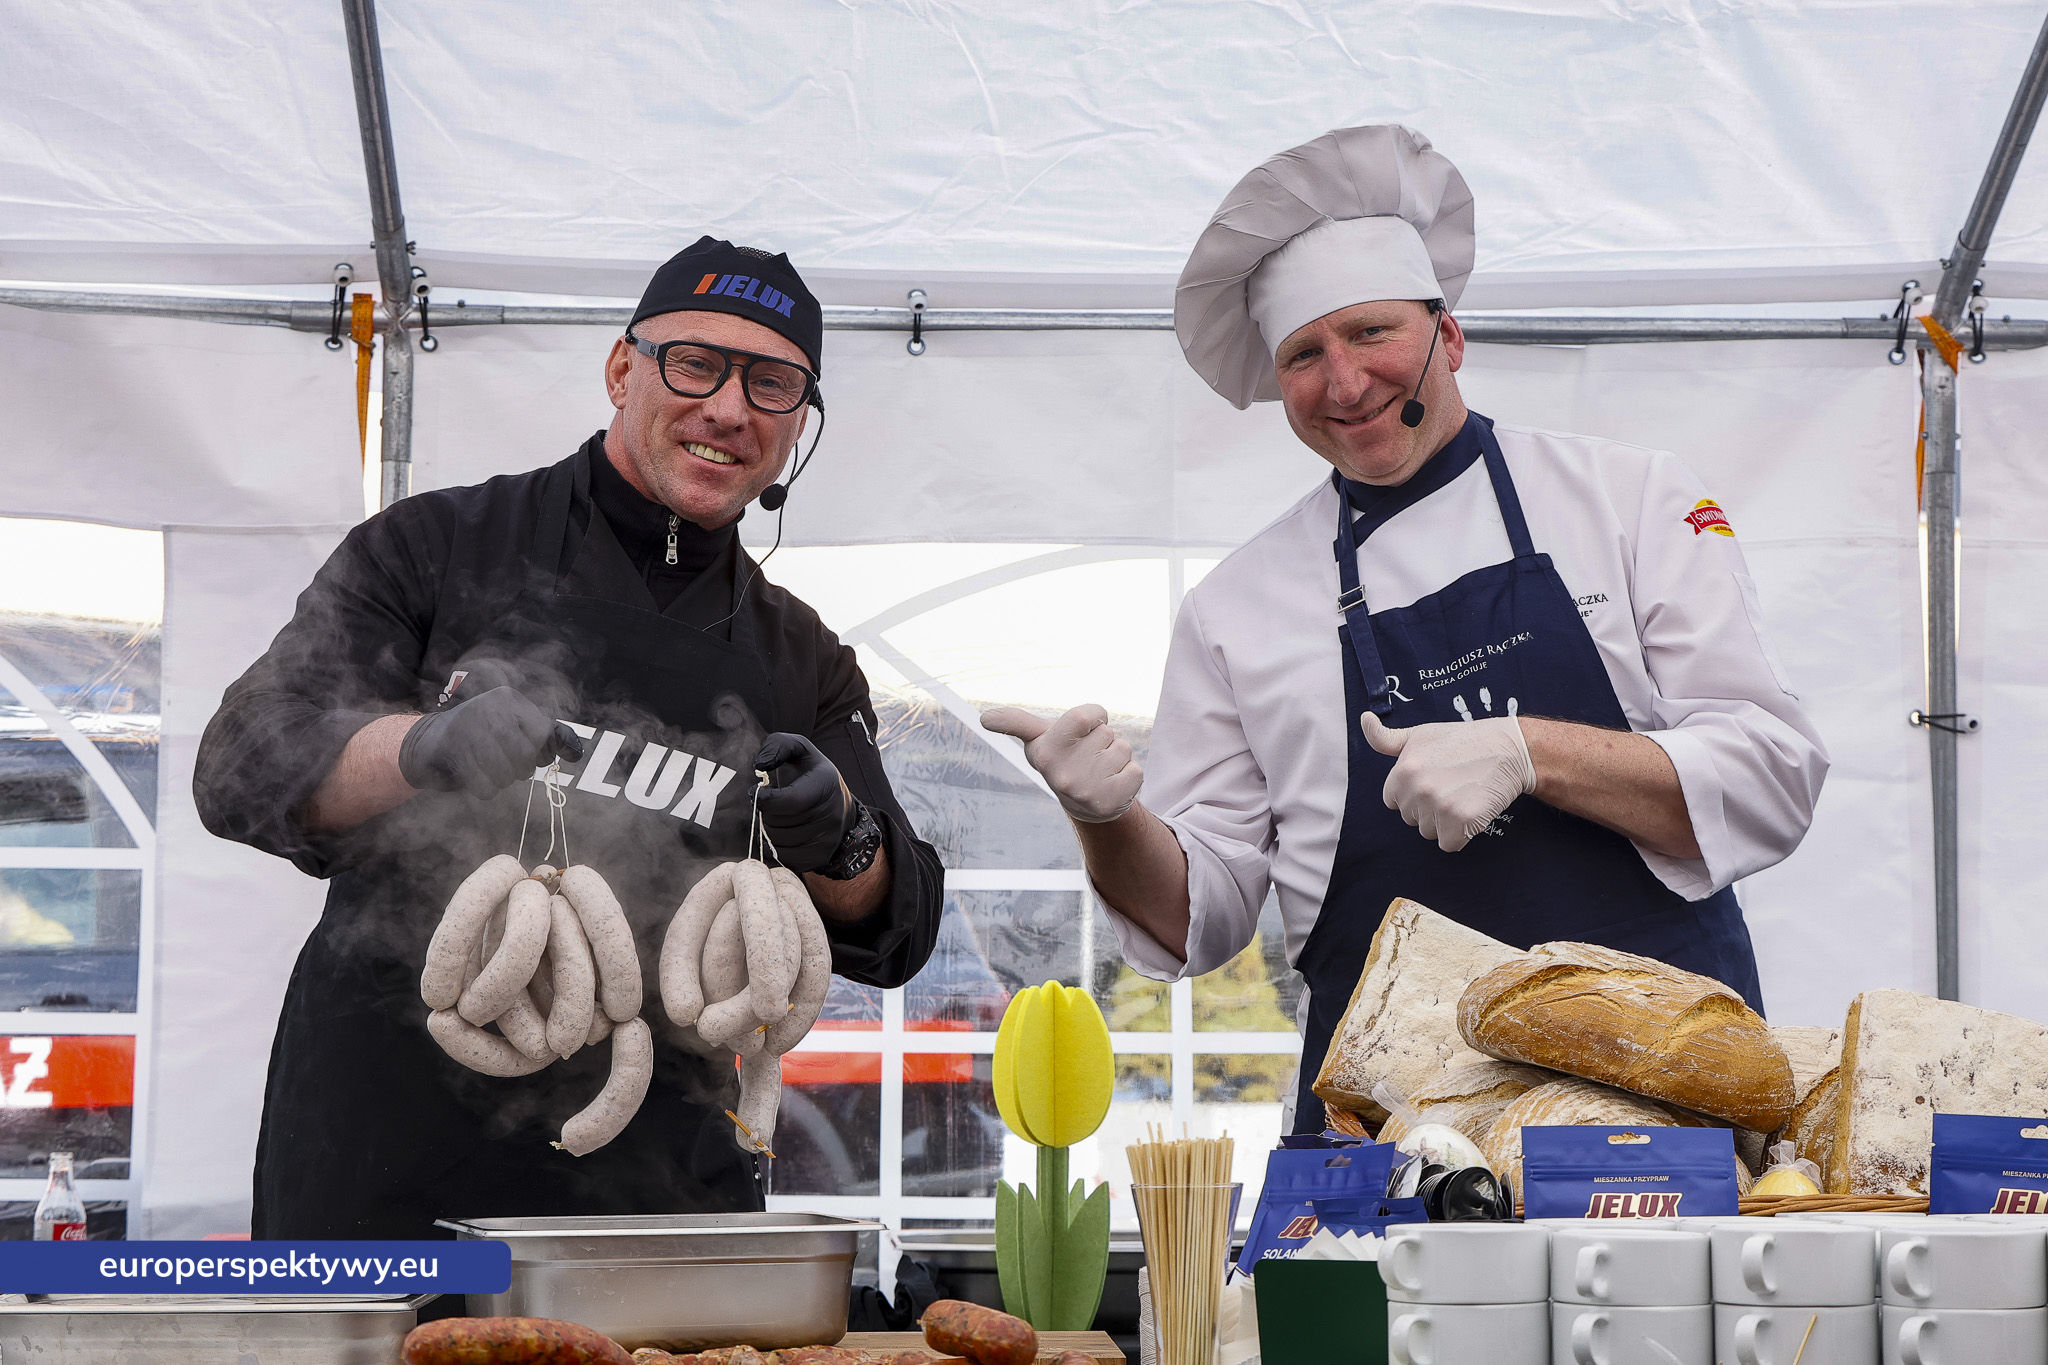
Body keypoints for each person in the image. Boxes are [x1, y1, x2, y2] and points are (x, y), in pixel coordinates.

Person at [982, 126, 1827, 1132]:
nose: (1343, 385)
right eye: (1303, 354)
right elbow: (1192, 921)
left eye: (1371, 334)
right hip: (1388, 1126)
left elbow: (1771, 777)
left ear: (1449, 337)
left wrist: (1528, 751)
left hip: (1660, 1104)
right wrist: (1104, 821)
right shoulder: (1236, 608)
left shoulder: (1628, 500)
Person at [196, 236, 944, 1235]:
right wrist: (416, 748)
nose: (729, 407)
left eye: (772, 385)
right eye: (696, 363)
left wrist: (842, 836)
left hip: (660, 1179)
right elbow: (242, 764)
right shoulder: (430, 547)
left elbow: (897, 928)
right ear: (621, 368)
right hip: (385, 1144)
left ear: (797, 423)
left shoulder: (800, 655)